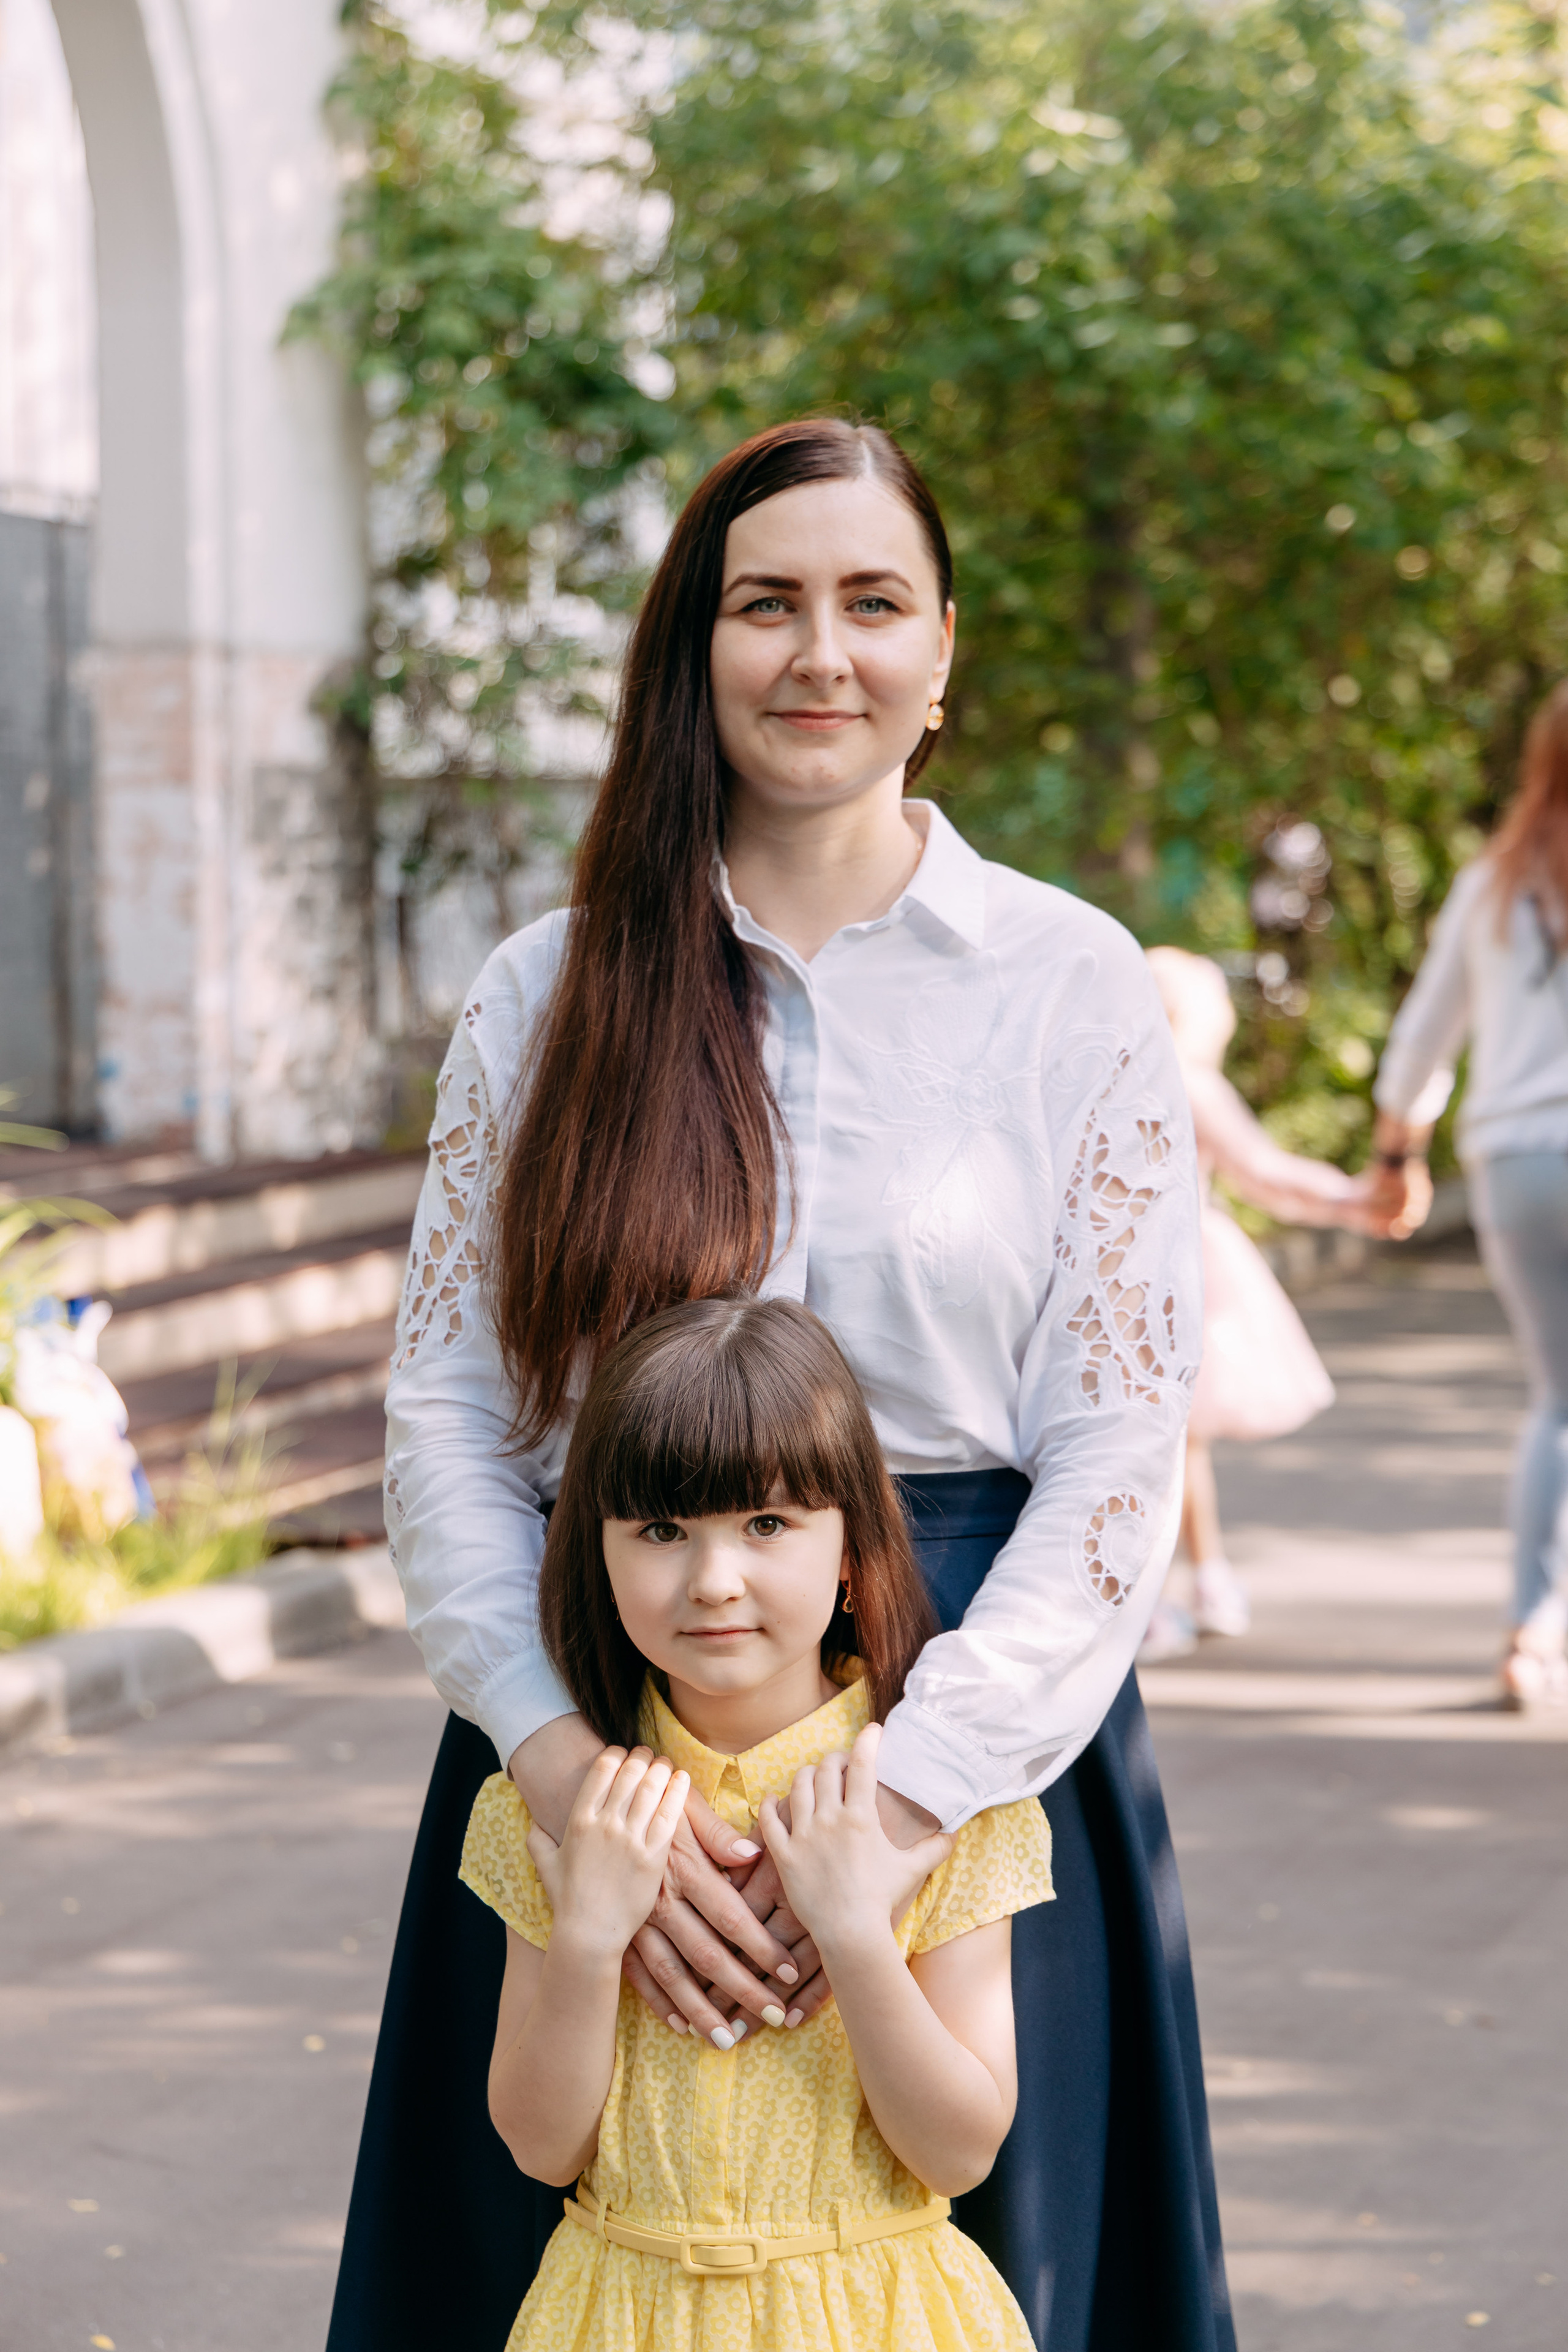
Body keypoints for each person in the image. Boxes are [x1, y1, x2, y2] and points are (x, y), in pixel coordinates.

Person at [329, 418, 1234, 2352]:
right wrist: (584, 1798)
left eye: (870, 602)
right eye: (765, 603)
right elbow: (448, 1423)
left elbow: (1113, 1446)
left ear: (941, 653)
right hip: (602, 1703)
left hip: (969, 1712)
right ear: (695, 644)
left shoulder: (1068, 984)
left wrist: (893, 1817)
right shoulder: (551, 989)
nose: (819, 650)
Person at [466, 1294, 1054, 2351]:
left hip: (875, 2314)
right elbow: (541, 2146)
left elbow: (962, 2153)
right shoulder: (554, 1806)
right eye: (659, 1530)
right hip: (618, 2314)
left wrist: (856, 1935)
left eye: (768, 1524)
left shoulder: (947, 1800)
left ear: (847, 1549)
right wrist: (592, 1937)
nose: (714, 1580)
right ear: (594, 1547)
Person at [1370, 682, 1568, 1711]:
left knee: (1559, 1398)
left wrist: (1397, 1149)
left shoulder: (1494, 882)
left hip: (1520, 1164)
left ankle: (1533, 1630)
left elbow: (1423, 1039)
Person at [1140, 948, 1401, 1660]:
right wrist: (1355, 1198)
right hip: (1181, 1272)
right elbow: (1266, 1172)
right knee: (1174, 1447)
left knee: (1165, 1443)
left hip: (1136, 1272)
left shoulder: (1116, 1074)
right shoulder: (1190, 1081)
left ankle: (1189, 1588)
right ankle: (1183, 1591)